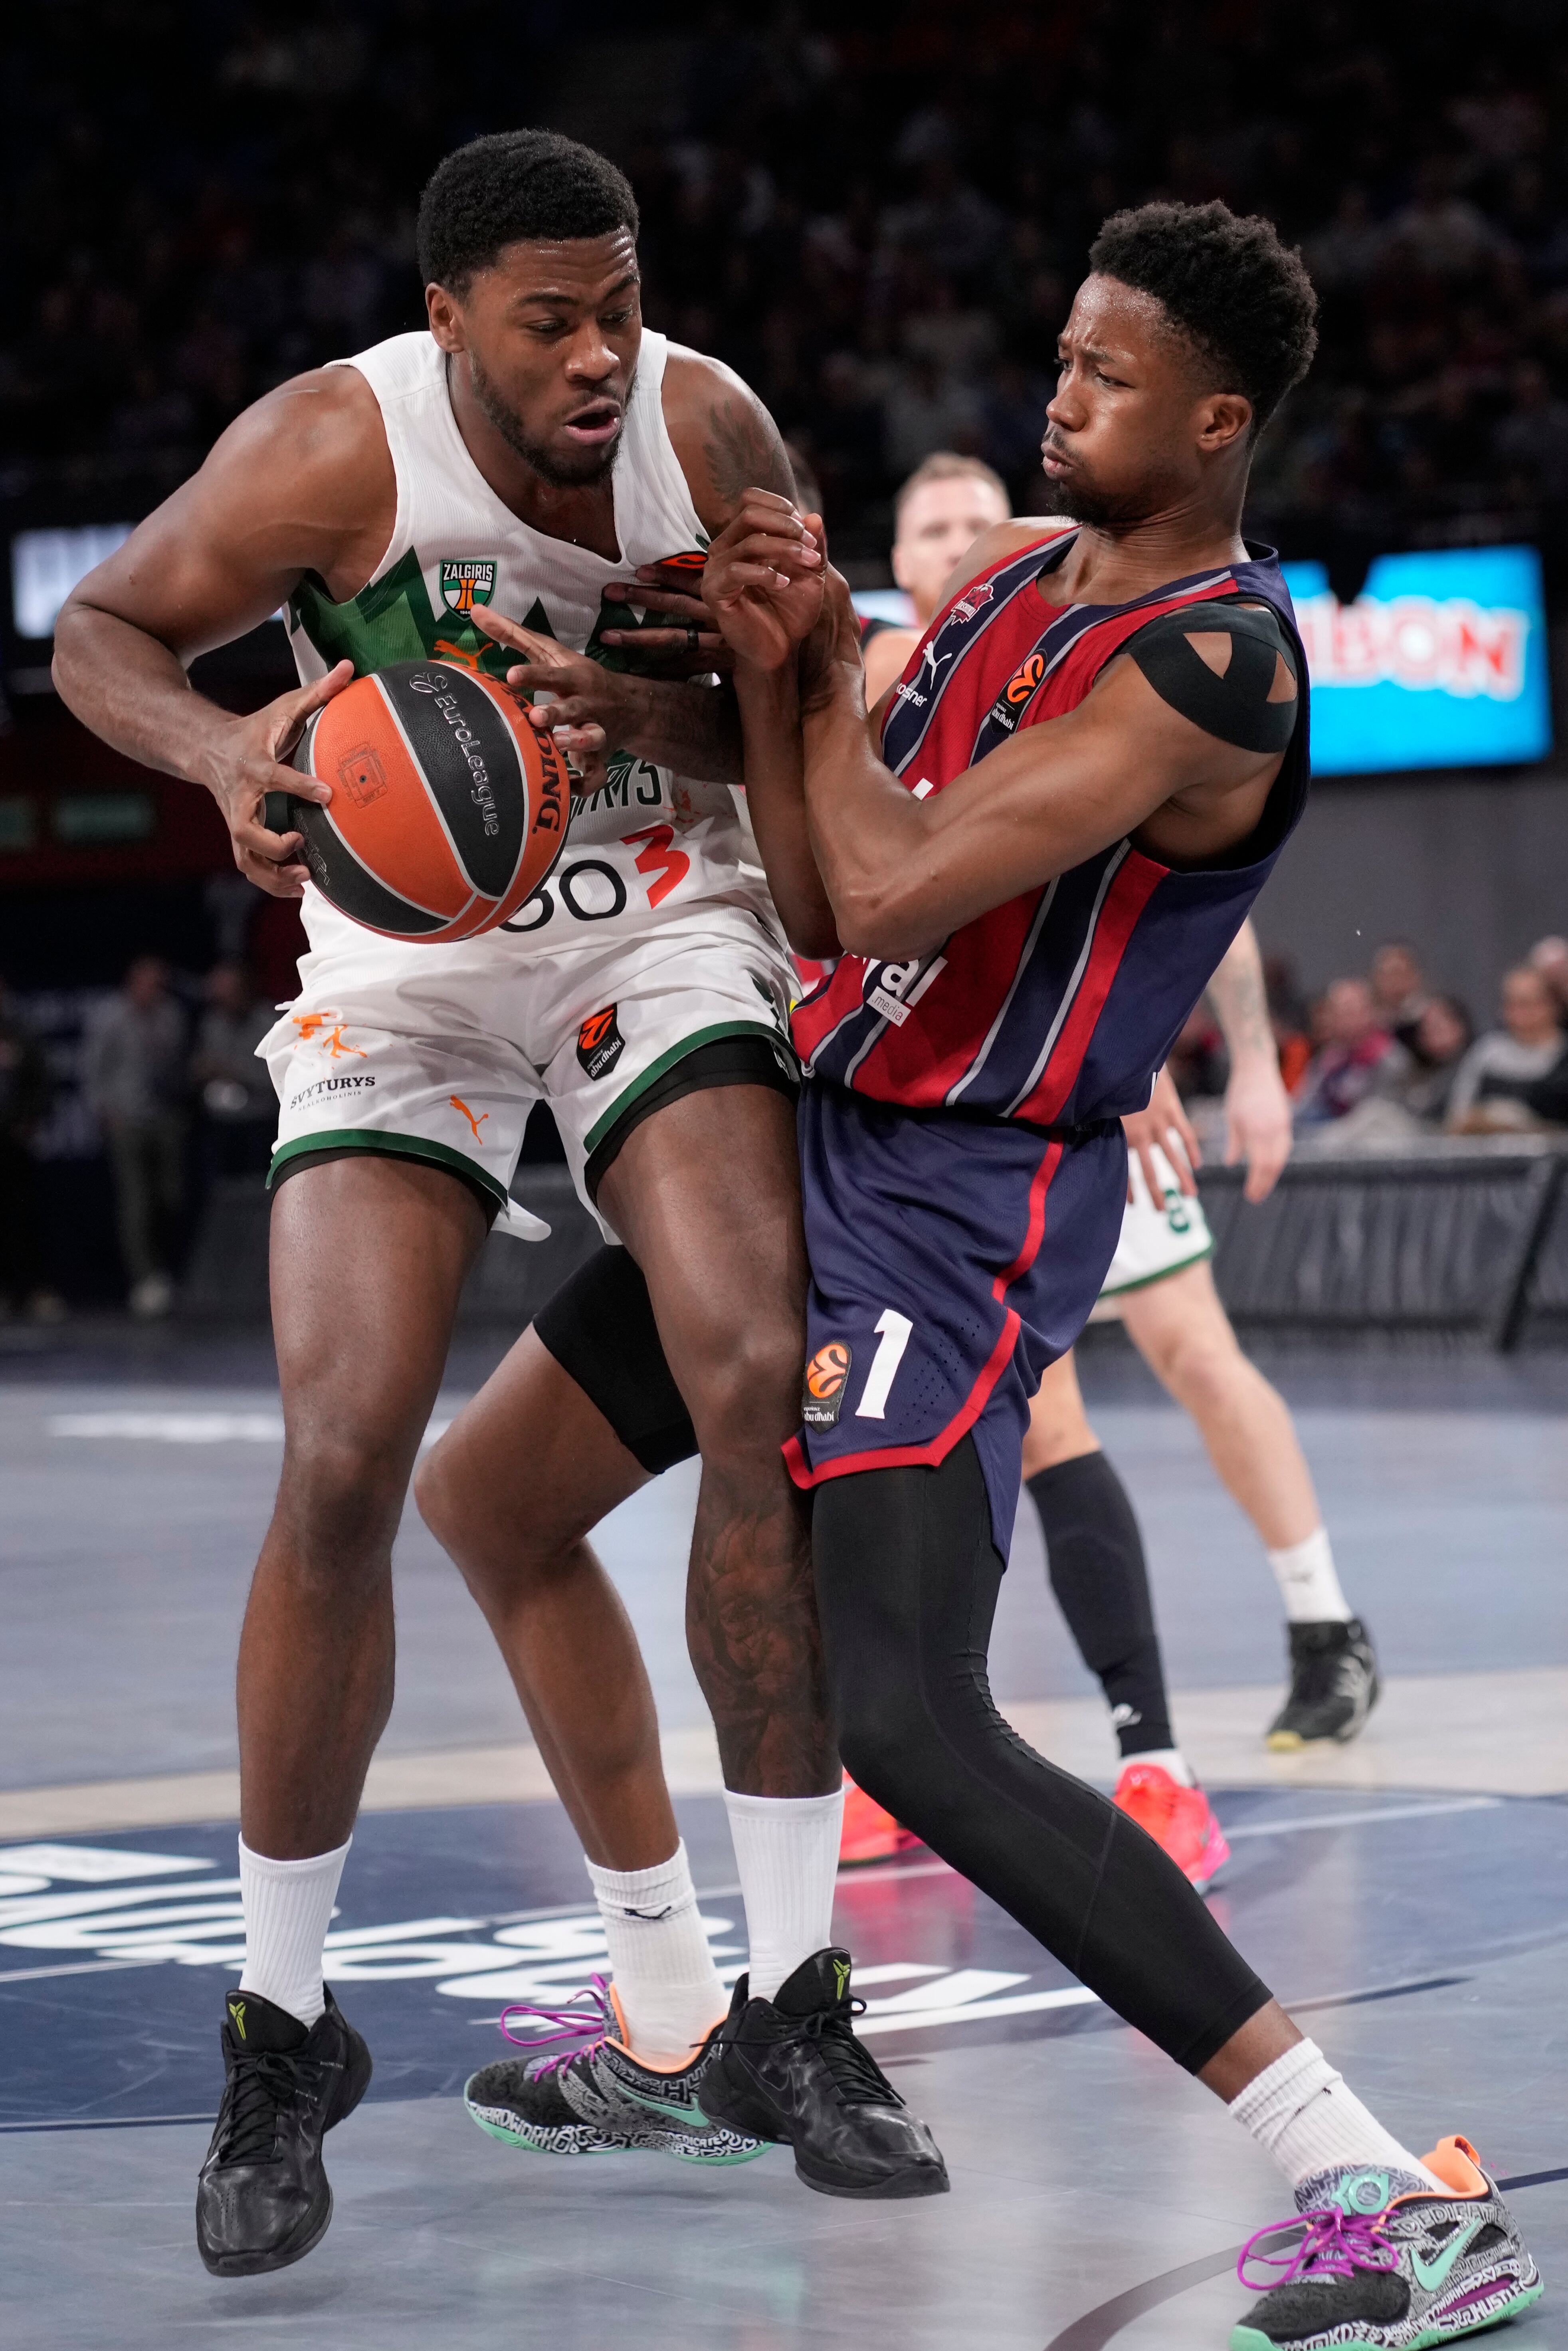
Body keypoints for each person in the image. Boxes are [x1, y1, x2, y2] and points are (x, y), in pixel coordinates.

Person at [54, 129, 939, 2277]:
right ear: (447, 316)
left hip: (650, 916)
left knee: (751, 1372)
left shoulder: (704, 425)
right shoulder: (322, 448)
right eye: (549, 319)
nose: (595, 353)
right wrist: (227, 757)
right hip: (414, 959)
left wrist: (680, 708)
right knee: (347, 1452)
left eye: (616, 308)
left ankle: (791, 2008)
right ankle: (282, 2030)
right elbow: (100, 631)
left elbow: (810, 726)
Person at [689, 198, 1537, 2347]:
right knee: (487, 1486)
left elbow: (873, 888)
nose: (1054, 392)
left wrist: (791, 673)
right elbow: (819, 888)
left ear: (1218, 416)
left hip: (954, 1204)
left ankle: (1367, 2179)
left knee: (911, 1710)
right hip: (828, 1136)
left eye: (1104, 372)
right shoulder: (1005, 595)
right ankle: (680, 2004)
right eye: (1056, 356)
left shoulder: (1214, 659)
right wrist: (778, 684)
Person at [82, 953, 188, 1318]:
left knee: (170, 1197)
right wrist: (104, 1111)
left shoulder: (171, 1015)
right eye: (147, 982)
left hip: (164, 1119)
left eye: (159, 983)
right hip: (126, 1121)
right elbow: (94, 1067)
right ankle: (146, 1280)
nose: (153, 990)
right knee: (136, 1203)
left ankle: (171, 1271)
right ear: (132, 982)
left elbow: (175, 1064)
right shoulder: (109, 1016)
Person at [859, 452, 1012, 706]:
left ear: (1021, 549)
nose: (960, 550)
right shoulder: (857, 670)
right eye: (935, 533)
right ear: (901, 565)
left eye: (980, 529)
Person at [0, 978, 63, 1322]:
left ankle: (34, 1290)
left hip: (14, 1143)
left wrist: (30, 1120)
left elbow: (41, 1081)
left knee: (23, 1219)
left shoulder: (21, 1035)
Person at [1445, 963, 1567, 1132]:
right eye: (1510, 1004)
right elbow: (1457, 1118)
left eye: (1526, 1004)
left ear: (1552, 1005)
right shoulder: (1487, 1052)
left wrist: (1519, 1124)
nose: (1517, 1014)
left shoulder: (1563, 1058)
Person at [191, 963, 276, 1179]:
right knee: (218, 1189)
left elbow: (276, 1077)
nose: (223, 999)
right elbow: (198, 1067)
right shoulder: (212, 1023)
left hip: (259, 1120)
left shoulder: (268, 1021)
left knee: (256, 1186)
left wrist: (233, 1072)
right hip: (220, 1120)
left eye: (229, 992)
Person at [1291, 977, 1403, 1125]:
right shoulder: (1328, 1059)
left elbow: (1376, 1118)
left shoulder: (1390, 1059)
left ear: (1370, 1012)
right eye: (1337, 1011)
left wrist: (1324, 1137)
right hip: (1320, 1138)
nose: (1342, 1018)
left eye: (1350, 1010)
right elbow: (1303, 1103)